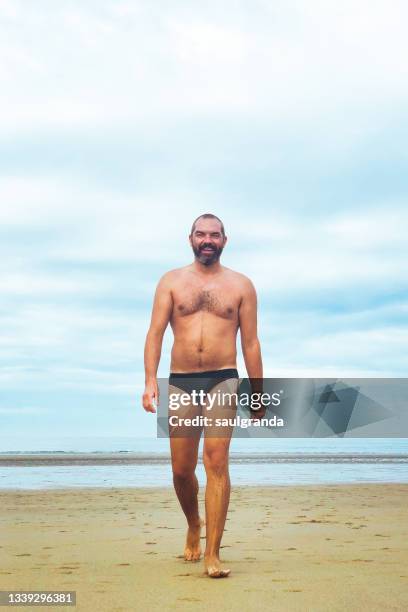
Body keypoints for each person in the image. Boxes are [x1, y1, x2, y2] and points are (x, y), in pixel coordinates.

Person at [142, 213, 263, 577]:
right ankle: (194, 524)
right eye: (201, 234)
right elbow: (155, 333)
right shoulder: (171, 281)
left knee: (216, 462)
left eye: (214, 235)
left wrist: (257, 392)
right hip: (180, 381)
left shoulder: (241, 285)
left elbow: (251, 342)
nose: (207, 239)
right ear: (190, 238)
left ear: (225, 240)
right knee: (181, 470)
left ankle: (213, 554)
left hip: (223, 379)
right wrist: (150, 380)